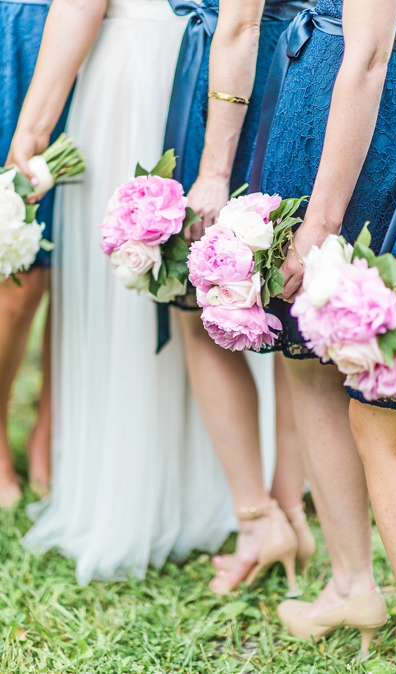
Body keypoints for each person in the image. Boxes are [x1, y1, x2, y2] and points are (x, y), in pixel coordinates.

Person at [8, 0, 232, 584]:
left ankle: (109, 484)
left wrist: (29, 136)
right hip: (216, 69)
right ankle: (198, 493)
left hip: (141, 74)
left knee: (133, 285)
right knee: (173, 274)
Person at [252, 0, 396, 665]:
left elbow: (365, 55)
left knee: (326, 360)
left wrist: (319, 222)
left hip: (345, 112)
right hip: (387, 94)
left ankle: (356, 585)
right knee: (352, 358)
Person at [160, 0, 316, 596]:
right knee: (283, 308)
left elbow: (240, 23)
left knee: (200, 310)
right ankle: (292, 513)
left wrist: (213, 170)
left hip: (243, 81)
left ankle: (257, 520)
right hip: (304, 74)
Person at [0, 0, 69, 507]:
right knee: (20, 275)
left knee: (81, 265)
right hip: (20, 35)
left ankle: (51, 427)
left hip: (103, 44)